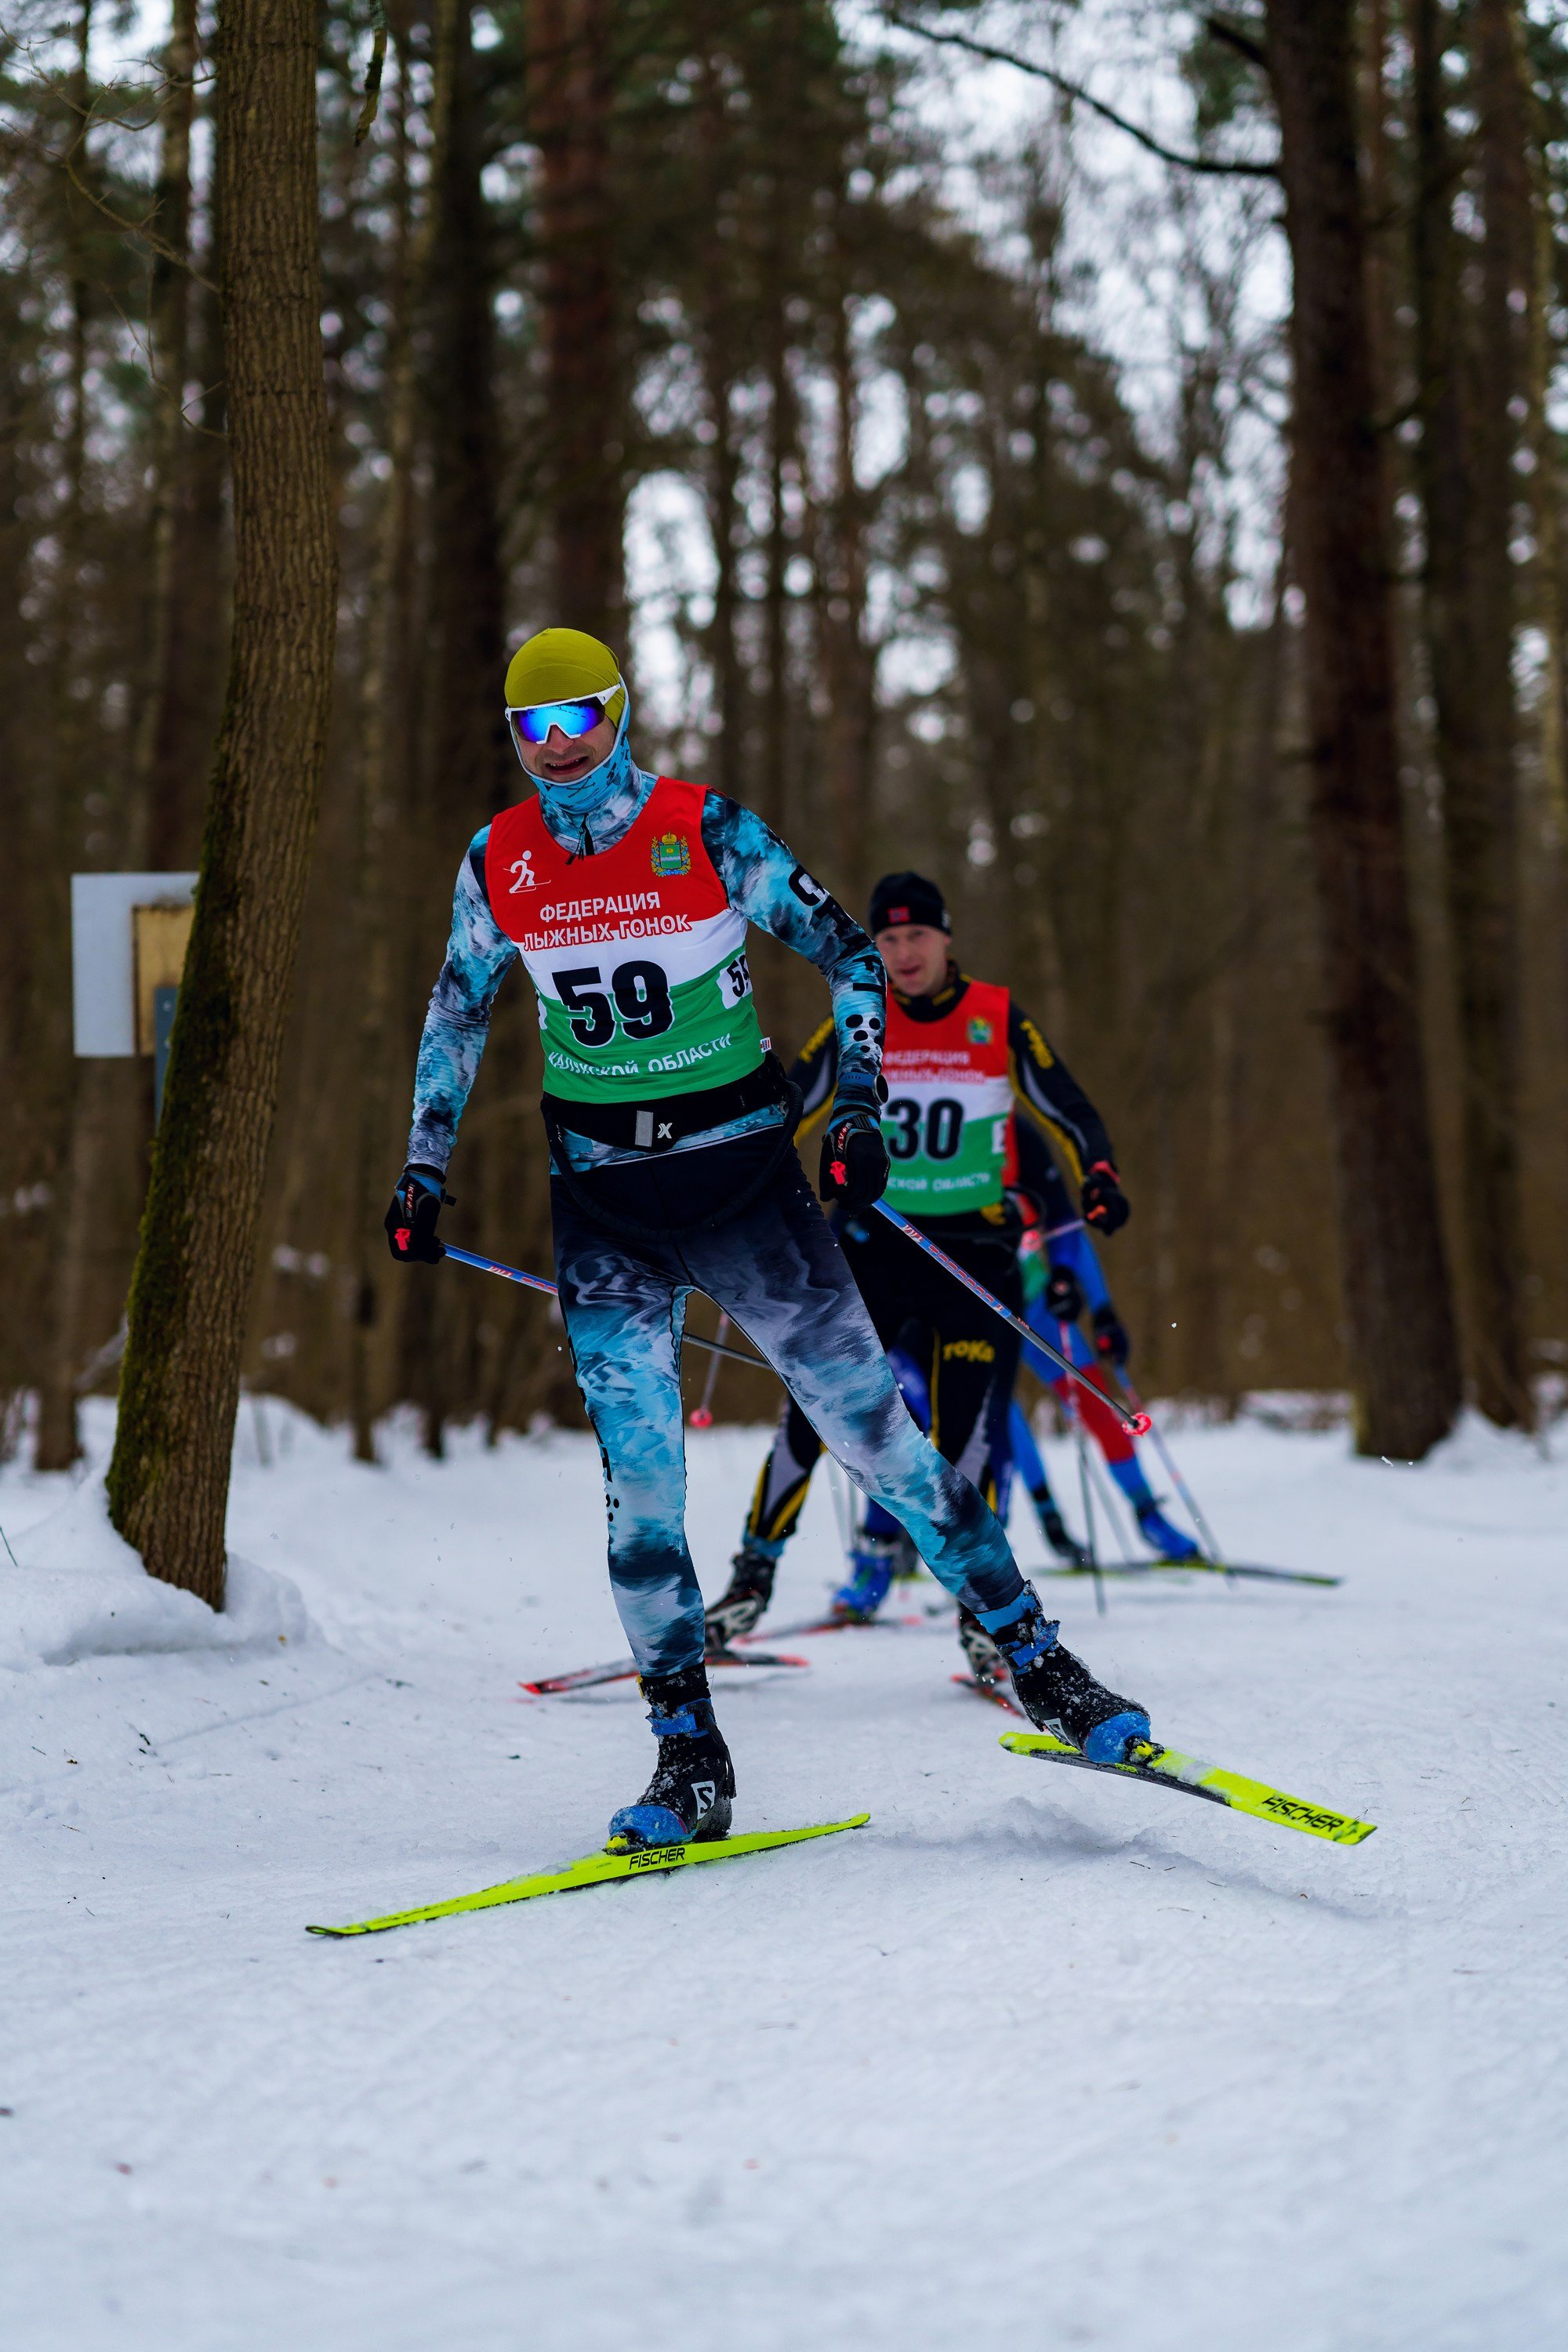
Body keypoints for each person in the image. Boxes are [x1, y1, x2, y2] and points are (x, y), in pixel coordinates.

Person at [387, 633, 1151, 1852]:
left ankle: (1042, 1664)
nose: (560, 745)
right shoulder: (501, 860)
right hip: (602, 1203)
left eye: (580, 716)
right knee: (640, 1492)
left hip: (745, 1181)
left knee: (880, 1441)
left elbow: (850, 954)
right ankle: (687, 1751)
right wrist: (424, 1164)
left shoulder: (707, 832)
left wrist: (855, 1104)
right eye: (534, 728)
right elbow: (457, 1002)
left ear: (620, 714)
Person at [705, 869, 1133, 1664]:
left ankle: (983, 1612)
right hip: (871, 1246)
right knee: (813, 1415)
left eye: (916, 936)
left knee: (968, 1441)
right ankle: (747, 1584)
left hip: (974, 1257)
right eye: (887, 938)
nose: (902, 953)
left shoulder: (995, 1017)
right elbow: (789, 1107)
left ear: (945, 938)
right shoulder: (857, 1015)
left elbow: (1068, 1105)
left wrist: (1097, 1173)